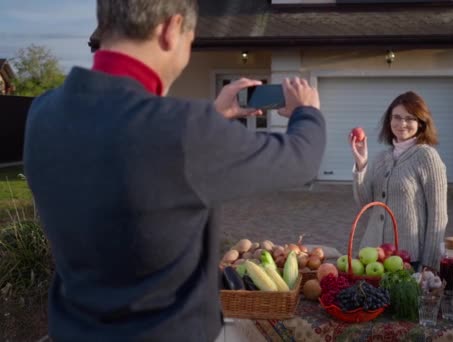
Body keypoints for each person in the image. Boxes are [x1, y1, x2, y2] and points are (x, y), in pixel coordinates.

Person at [23, 1, 325, 341]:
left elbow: (127, 148)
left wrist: (211, 119)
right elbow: (301, 159)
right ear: (170, 29)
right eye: (190, 40)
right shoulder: (183, 131)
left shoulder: (43, 112)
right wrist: (307, 112)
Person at [349, 91, 448, 270]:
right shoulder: (381, 158)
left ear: (421, 123)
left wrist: (430, 264)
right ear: (389, 121)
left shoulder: (427, 157)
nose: (402, 124)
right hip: (372, 256)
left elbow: (438, 216)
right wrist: (361, 164)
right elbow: (366, 203)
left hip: (407, 258)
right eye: (397, 117)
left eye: (410, 118)